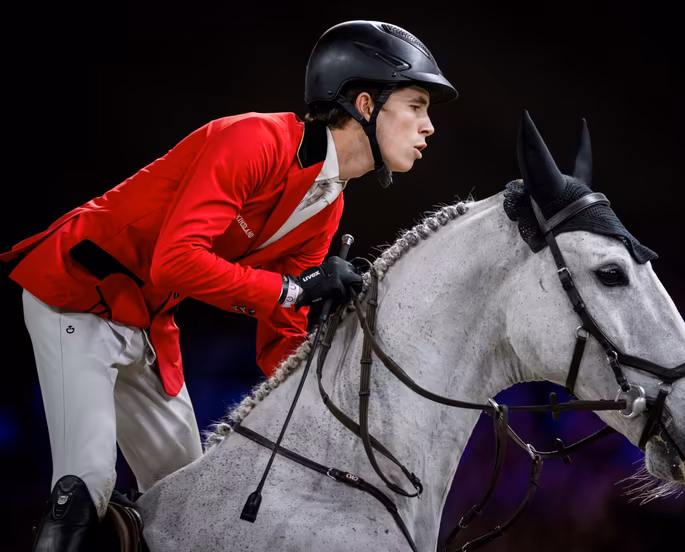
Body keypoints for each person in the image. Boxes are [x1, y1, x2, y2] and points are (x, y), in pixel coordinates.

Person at [1, 19, 457, 551]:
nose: (429, 128)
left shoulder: (327, 205)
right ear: (363, 104)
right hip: (75, 289)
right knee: (86, 484)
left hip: (145, 322)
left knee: (192, 507)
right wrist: (293, 288)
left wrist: (331, 399)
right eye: (417, 106)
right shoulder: (254, 139)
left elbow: (283, 334)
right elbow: (176, 263)